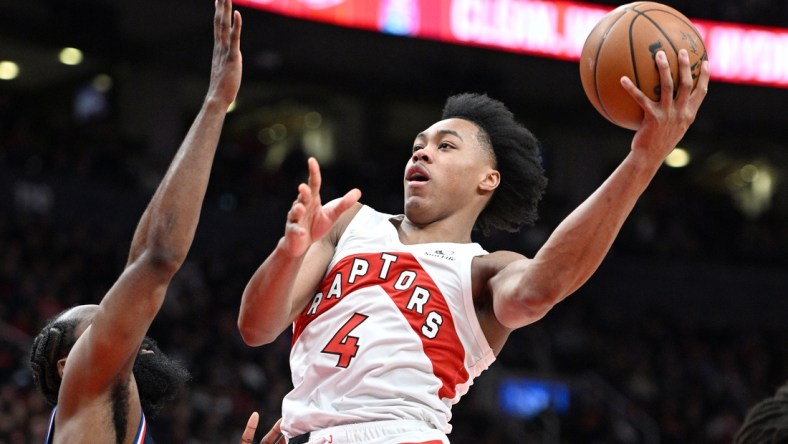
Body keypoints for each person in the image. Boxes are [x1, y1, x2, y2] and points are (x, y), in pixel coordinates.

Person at [238, 49, 710, 443]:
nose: (421, 151)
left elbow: (540, 289)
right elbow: (257, 329)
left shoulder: (483, 272)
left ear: (489, 179)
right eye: (418, 144)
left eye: (446, 146)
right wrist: (289, 251)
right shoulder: (349, 223)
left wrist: (643, 159)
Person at [27, 0, 243, 441]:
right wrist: (215, 103)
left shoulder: (110, 419)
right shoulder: (86, 391)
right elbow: (156, 257)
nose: (126, 323)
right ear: (69, 367)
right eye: (100, 322)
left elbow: (138, 265)